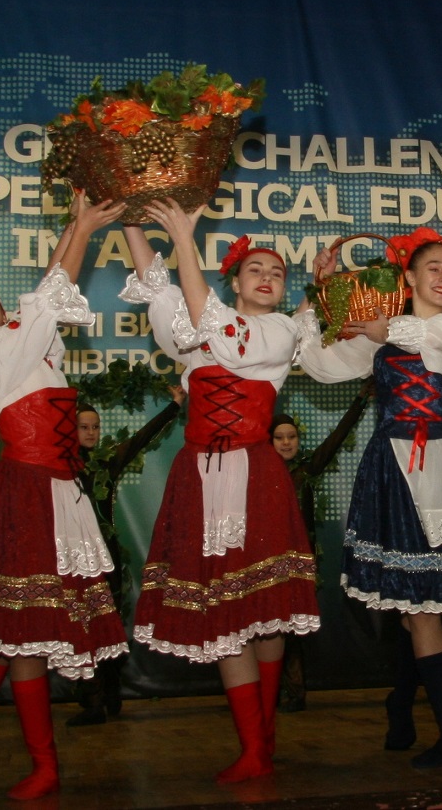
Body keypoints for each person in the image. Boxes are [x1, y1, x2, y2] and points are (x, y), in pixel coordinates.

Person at [0, 193, 130, 800]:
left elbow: (41, 308)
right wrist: (84, 228)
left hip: (52, 489)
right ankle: (43, 763)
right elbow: (46, 298)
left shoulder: (17, 348)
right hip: (26, 495)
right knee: (24, 633)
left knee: (9, 630)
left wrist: (73, 224)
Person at [119, 201, 320, 784]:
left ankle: (263, 733)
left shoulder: (278, 331)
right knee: (225, 611)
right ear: (234, 281)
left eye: (277, 272)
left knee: (267, 612)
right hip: (200, 479)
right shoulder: (196, 329)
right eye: (255, 269)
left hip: (257, 476)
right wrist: (130, 217)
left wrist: (185, 237)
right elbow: (162, 289)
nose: (266, 277)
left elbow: (222, 329)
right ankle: (254, 744)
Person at [296, 227, 442, 768]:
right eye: (433, 268)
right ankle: (409, 708)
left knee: (424, 607)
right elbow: (319, 364)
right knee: (413, 605)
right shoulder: (383, 335)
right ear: (408, 277)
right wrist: (317, 294)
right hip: (392, 470)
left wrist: (386, 327)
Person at [65, 383, 187, 727]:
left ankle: (109, 693)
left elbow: (140, 440)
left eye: (95, 427)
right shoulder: (60, 466)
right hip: (73, 558)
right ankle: (93, 699)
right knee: (82, 626)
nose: (91, 433)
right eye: (83, 427)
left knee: (110, 625)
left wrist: (174, 407)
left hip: (107, 559)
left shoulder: (107, 462)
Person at [268, 388, 372, 712]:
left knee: (293, 630)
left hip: (299, 565)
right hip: (266, 564)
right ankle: (267, 693)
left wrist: (359, 402)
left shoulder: (306, 471)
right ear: (269, 442)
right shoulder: (258, 476)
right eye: (279, 438)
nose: (287, 442)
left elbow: (337, 438)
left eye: (292, 437)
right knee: (267, 629)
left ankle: (295, 693)